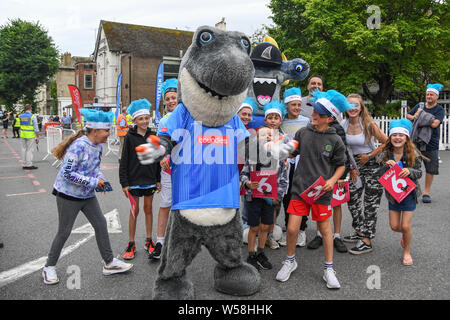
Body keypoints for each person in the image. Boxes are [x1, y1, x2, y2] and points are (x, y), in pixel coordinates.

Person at [42, 108, 133, 285]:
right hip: (67, 195)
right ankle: (49, 267)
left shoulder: (98, 146)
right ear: (95, 131)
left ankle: (109, 263)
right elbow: (67, 174)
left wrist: (101, 179)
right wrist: (93, 182)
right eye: (106, 130)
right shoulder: (78, 146)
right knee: (64, 231)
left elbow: (94, 168)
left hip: (87, 195)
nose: (109, 134)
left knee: (100, 224)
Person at [276, 90, 352, 289]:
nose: (313, 115)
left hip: (322, 193)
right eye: (313, 112)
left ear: (329, 118)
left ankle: (329, 269)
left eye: (318, 113)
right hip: (300, 189)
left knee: (325, 230)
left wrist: (333, 180)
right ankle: (290, 261)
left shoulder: (335, 140)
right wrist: (286, 155)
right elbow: (293, 150)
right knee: (292, 229)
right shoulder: (304, 132)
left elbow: (342, 165)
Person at [341, 94, 388, 255]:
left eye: (356, 105)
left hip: (372, 164)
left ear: (361, 108)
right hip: (355, 166)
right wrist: (351, 167)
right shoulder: (343, 124)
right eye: (350, 105)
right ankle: (360, 230)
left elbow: (386, 141)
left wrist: (370, 155)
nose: (353, 108)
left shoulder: (368, 124)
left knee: (370, 203)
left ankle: (367, 239)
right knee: (352, 199)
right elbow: (344, 148)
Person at [241, 125, 288, 270]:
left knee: (265, 227)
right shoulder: (252, 158)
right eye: (263, 135)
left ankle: (261, 252)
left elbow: (283, 180)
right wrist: (248, 183)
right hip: (253, 198)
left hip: (270, 200)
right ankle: (251, 255)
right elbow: (243, 174)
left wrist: (278, 196)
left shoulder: (279, 160)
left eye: (270, 135)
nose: (267, 137)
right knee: (253, 227)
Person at [377, 119, 423, 266]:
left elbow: (419, 173)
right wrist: (386, 167)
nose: (397, 138)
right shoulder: (386, 153)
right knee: (395, 226)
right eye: (394, 135)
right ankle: (405, 236)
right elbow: (378, 174)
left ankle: (407, 252)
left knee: (405, 226)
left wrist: (409, 171)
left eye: (401, 135)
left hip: (409, 193)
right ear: (390, 138)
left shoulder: (413, 153)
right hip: (393, 196)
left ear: (406, 138)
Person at [120, 99, 162, 260]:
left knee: (149, 209)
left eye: (146, 118)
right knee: (134, 210)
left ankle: (148, 240)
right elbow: (124, 161)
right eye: (141, 119)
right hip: (133, 180)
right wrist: (124, 183)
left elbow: (157, 159)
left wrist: (158, 179)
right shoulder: (130, 137)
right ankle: (131, 243)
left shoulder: (153, 135)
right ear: (135, 120)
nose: (144, 121)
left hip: (150, 179)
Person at [279, 87, 310, 248]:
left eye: (299, 104)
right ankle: (288, 228)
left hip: (302, 165)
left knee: (301, 196)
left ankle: (302, 229)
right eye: (293, 105)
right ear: (287, 106)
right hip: (285, 165)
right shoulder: (281, 121)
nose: (297, 107)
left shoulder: (306, 121)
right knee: (286, 196)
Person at [152, 78, 178, 260]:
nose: (170, 101)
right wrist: (162, 157)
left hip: (186, 169)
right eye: (167, 98)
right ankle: (160, 242)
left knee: (183, 207)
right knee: (165, 204)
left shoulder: (189, 116)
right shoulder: (164, 121)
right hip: (168, 169)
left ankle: (178, 242)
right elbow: (160, 144)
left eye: (173, 97)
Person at [406, 83, 445, 204]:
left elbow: (434, 124)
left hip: (431, 142)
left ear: (436, 96)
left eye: (431, 95)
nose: (428, 96)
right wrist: (415, 116)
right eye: (427, 94)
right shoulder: (420, 105)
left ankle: (426, 193)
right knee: (412, 166)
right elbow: (408, 116)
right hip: (415, 140)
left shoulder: (440, 109)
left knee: (430, 168)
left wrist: (421, 116)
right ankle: (411, 190)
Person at [262, 101, 287, 250]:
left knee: (275, 207)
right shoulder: (261, 135)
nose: (273, 120)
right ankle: (260, 235)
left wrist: (287, 159)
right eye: (270, 117)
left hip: (279, 178)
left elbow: (288, 153)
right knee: (262, 207)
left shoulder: (284, 137)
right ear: (265, 120)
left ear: (281, 120)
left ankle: (270, 235)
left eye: (276, 118)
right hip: (263, 177)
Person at [237, 97, 257, 229]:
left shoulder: (253, 132)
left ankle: (244, 225)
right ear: (237, 114)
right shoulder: (228, 128)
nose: (247, 117)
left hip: (244, 169)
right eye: (244, 114)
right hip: (231, 169)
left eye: (249, 115)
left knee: (245, 198)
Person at [19, 105, 40, 170]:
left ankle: (24, 164)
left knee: (23, 149)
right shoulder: (32, 116)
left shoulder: (21, 116)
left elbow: (21, 125)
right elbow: (36, 128)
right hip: (30, 135)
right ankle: (29, 164)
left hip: (22, 134)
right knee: (29, 150)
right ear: (30, 109)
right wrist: (37, 137)